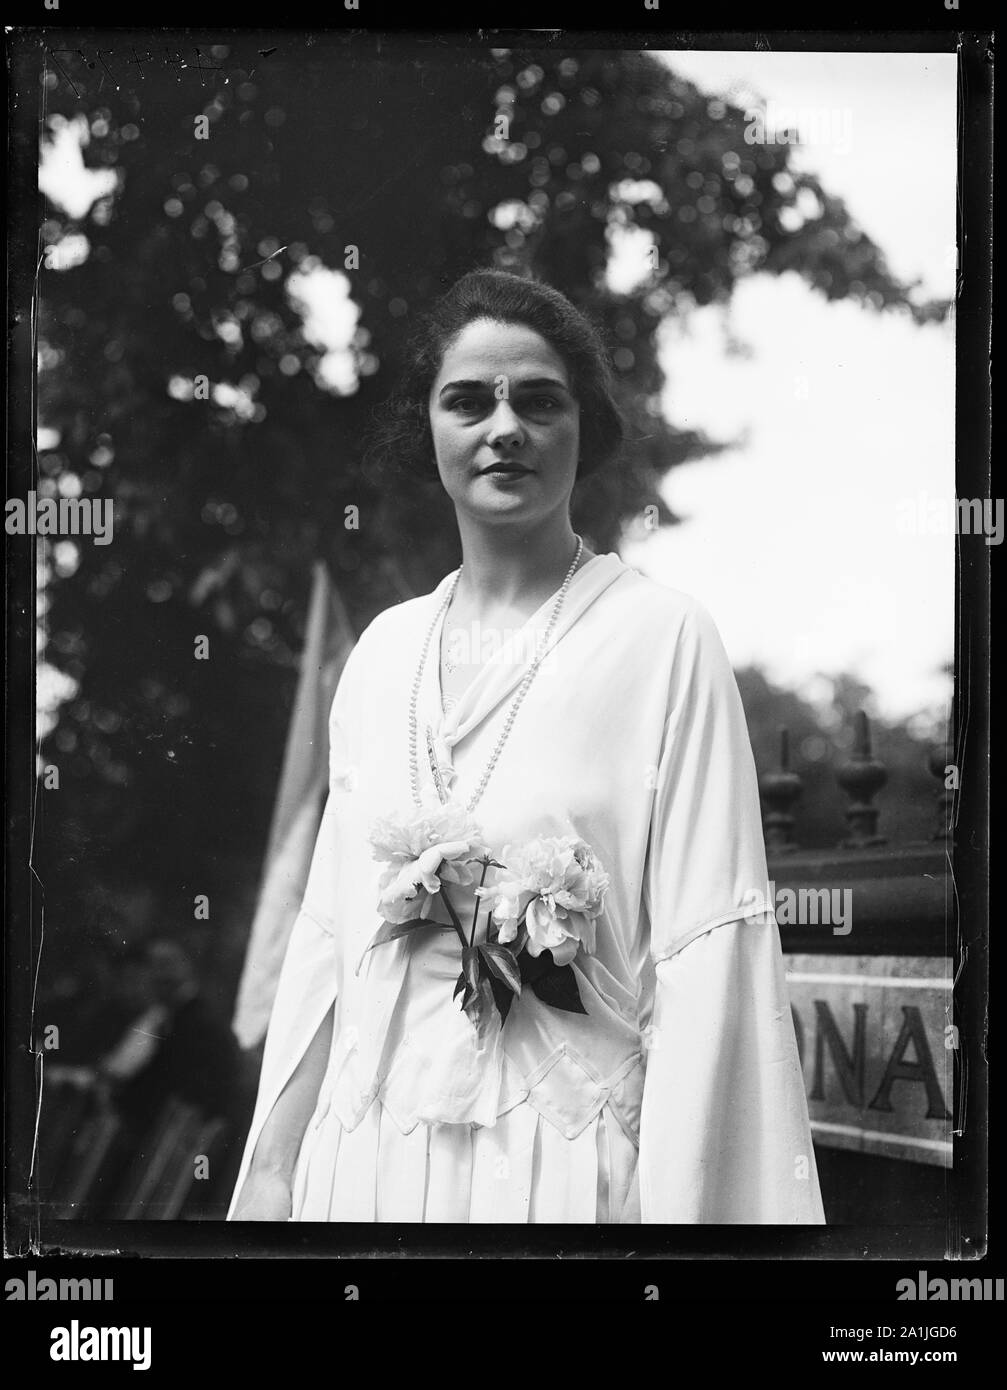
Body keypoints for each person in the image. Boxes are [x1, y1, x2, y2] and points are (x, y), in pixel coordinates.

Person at [228, 269, 825, 1224]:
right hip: (364, 1162)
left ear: (582, 427)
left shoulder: (662, 638)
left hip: (560, 1170)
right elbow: (328, 942)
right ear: (427, 429)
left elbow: (708, 952)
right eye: (468, 401)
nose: (503, 428)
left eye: (538, 401)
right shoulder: (381, 654)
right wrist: (271, 1173)